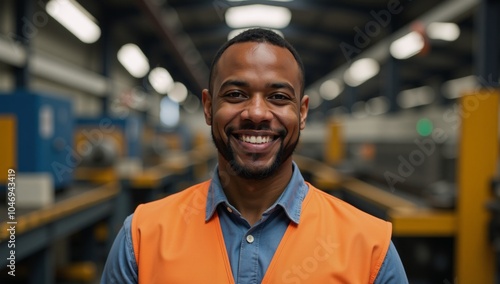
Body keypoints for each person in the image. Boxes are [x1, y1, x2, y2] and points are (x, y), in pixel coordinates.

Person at [101, 28, 408, 283]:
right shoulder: (141, 237)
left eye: (278, 97)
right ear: (209, 107)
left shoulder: (370, 248)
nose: (257, 113)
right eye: (236, 94)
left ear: (302, 112)